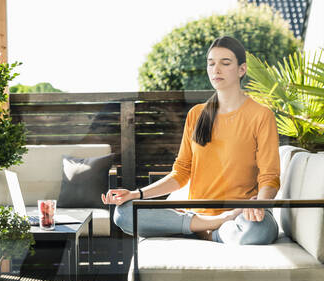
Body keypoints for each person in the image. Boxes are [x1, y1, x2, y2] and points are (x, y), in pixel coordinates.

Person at [101, 36, 280, 244]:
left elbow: (270, 177)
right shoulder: (196, 114)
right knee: (123, 213)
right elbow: (181, 172)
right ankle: (208, 226)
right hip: (200, 215)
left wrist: (258, 205)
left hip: (240, 215)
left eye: (225, 63)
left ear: (242, 69)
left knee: (260, 230)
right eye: (211, 63)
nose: (216, 70)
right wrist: (136, 194)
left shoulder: (261, 115)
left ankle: (203, 231)